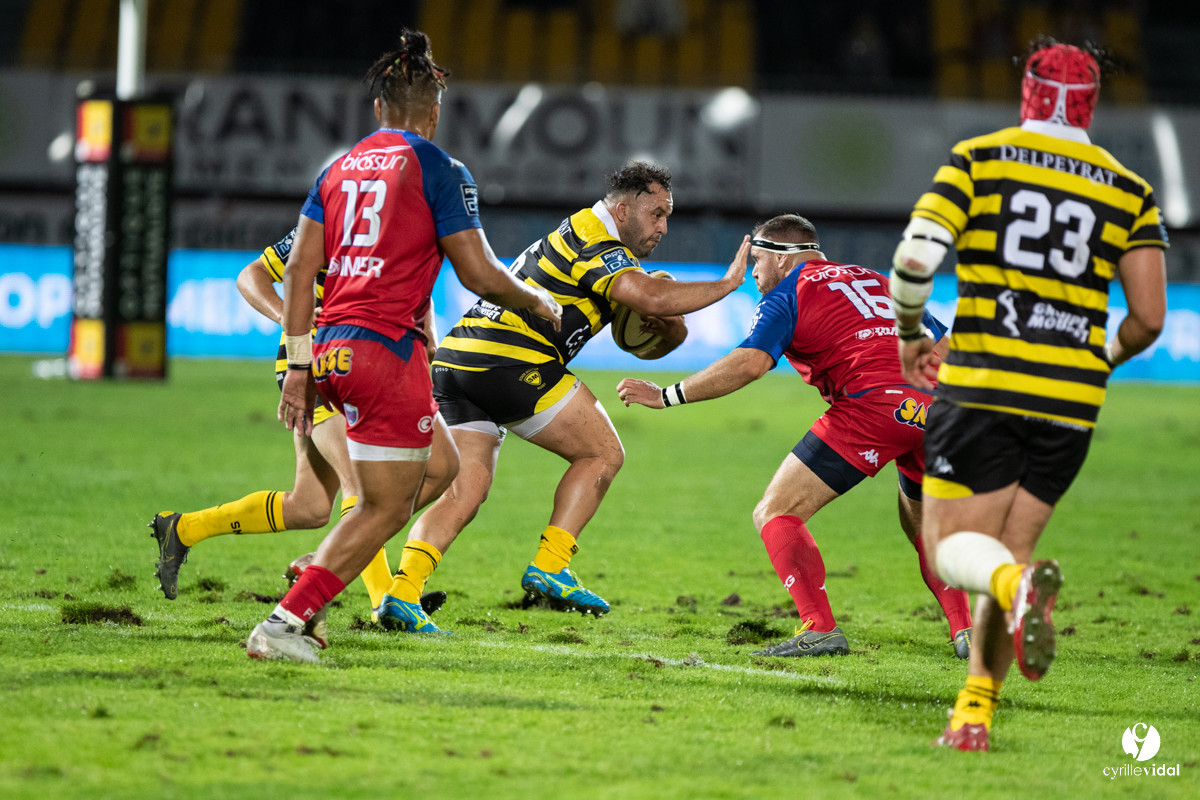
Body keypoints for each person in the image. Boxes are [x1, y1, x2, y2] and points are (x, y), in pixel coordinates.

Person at [246, 29, 563, 662]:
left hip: (330, 348)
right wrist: (534, 300)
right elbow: (477, 271)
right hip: (383, 352)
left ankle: (331, 557)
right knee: (384, 507)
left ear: (377, 110)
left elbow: (301, 271)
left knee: (443, 467)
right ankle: (285, 624)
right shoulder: (439, 168)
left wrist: (299, 368)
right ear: (435, 113)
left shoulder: (336, 170)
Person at [888, 38, 1168, 751]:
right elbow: (1149, 319)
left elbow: (917, 257)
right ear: (1092, 107)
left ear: (1029, 95)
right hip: (1071, 401)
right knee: (1009, 549)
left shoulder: (981, 157)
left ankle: (1018, 591)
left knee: (954, 547)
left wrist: (913, 333)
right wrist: (1099, 358)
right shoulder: (1130, 190)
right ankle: (973, 714)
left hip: (985, 385)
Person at [386, 161, 748, 626]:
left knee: (466, 488)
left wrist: (665, 326)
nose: (663, 227)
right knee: (602, 453)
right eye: (656, 214)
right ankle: (551, 566)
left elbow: (658, 325)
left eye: (667, 216)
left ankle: (403, 591)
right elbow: (652, 300)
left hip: (458, 362)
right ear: (622, 210)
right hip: (511, 359)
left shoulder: (583, 235)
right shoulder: (595, 237)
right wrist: (726, 284)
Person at [617, 214, 973, 658]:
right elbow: (945, 345)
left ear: (781, 258)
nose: (755, 275)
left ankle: (820, 628)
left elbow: (750, 363)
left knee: (776, 511)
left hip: (871, 406)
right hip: (937, 409)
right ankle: (966, 630)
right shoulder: (876, 280)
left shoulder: (790, 292)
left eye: (758, 263)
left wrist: (667, 395)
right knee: (921, 520)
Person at [147, 228, 449, 637]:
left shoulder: (411, 219)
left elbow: (417, 281)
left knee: (311, 506)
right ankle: (384, 604)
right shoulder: (334, 221)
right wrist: (294, 325)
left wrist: (426, 327)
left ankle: (183, 529)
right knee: (361, 486)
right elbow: (250, 275)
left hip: (378, 362)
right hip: (318, 366)